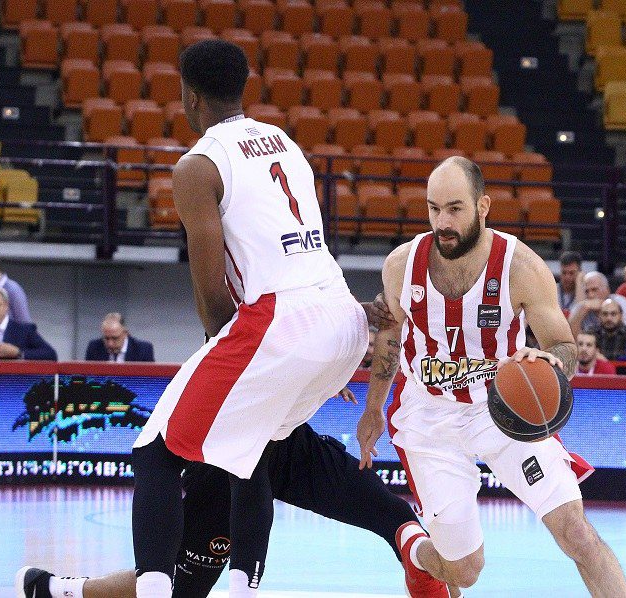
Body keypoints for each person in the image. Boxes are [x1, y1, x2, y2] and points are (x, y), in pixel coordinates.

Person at [126, 40, 441, 598]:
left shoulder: (198, 165)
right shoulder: (285, 143)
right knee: (256, 448)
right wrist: (309, 356)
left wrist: (253, 358)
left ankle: (156, 590)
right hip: (343, 317)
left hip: (278, 324)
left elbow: (211, 292)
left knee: (156, 452)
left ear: (189, 96)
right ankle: (249, 584)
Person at [359, 157, 626, 597]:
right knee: (463, 570)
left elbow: (564, 345)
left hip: (502, 410)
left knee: (576, 533)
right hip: (429, 417)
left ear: (483, 206)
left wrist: (548, 360)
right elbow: (390, 335)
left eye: (454, 209)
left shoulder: (520, 267)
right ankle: (413, 548)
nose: (442, 222)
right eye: (433, 209)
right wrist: (373, 408)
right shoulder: (401, 265)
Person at [16, 418, 423, 598]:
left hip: (292, 446)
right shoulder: (241, 306)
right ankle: (58, 590)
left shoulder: (326, 301)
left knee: (397, 517)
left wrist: (367, 397)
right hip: (227, 461)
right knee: (176, 586)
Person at [567, 271, 626, 336]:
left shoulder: (620, 301)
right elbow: (569, 337)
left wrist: (605, 310)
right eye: (587, 291)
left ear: (607, 290)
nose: (590, 295)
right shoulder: (582, 306)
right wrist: (583, 309)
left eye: (594, 290)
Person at [85, 313, 155, 362]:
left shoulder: (143, 350)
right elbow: (87, 376)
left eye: (115, 338)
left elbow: (149, 378)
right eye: (106, 338)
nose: (110, 344)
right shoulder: (94, 347)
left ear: (125, 333)